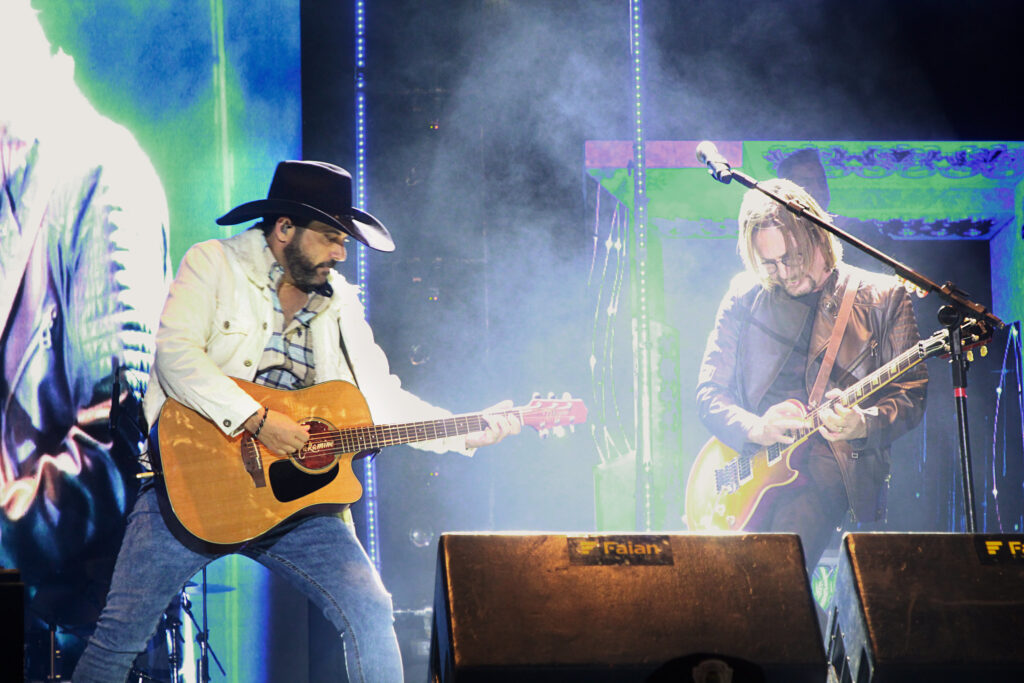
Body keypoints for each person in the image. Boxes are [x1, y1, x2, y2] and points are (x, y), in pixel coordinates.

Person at [73, 160, 521, 682]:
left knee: (372, 612)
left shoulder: (341, 303)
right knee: (117, 638)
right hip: (190, 484)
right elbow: (176, 356)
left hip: (299, 504)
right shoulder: (213, 264)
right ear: (284, 229)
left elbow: (382, 399)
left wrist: (465, 429)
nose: (341, 252)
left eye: (344, 240)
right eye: (330, 237)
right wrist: (259, 421)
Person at [695, 178, 928, 580]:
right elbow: (709, 393)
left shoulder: (882, 296)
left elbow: (912, 394)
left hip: (832, 467)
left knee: (776, 578)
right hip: (754, 468)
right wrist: (757, 427)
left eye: (792, 257)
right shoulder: (743, 296)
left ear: (817, 235)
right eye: (769, 263)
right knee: (727, 588)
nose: (783, 272)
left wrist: (863, 423)